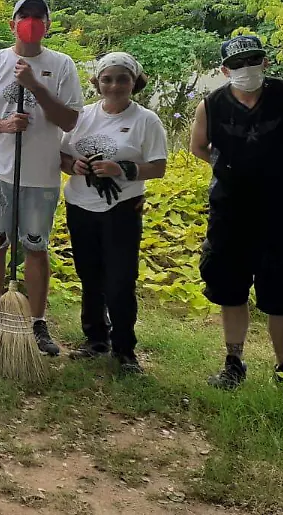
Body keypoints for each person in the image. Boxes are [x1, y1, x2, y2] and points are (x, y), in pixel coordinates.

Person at [190, 35, 283, 389]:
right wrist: (235, 168)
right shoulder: (211, 104)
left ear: (265, 62)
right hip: (228, 212)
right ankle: (234, 363)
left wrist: (271, 169)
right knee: (229, 290)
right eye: (237, 64)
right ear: (224, 69)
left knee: (280, 294)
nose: (246, 69)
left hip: (276, 211)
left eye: (253, 60)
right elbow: (198, 146)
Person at [0, 0, 83, 356]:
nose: (30, 22)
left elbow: (70, 120)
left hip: (40, 176)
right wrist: (0, 125)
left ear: (47, 24)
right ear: (12, 24)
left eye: (38, 17)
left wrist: (35, 86)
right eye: (23, 16)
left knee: (35, 247)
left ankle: (37, 324)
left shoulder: (61, 65)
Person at [59, 52, 168, 374]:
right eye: (107, 79)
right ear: (97, 82)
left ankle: (124, 349)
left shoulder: (145, 120)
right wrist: (74, 166)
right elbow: (63, 157)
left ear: (135, 82)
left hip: (121, 209)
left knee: (120, 281)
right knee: (89, 276)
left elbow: (158, 167)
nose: (115, 85)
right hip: (80, 205)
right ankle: (95, 339)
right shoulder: (82, 116)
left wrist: (122, 169)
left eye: (122, 78)